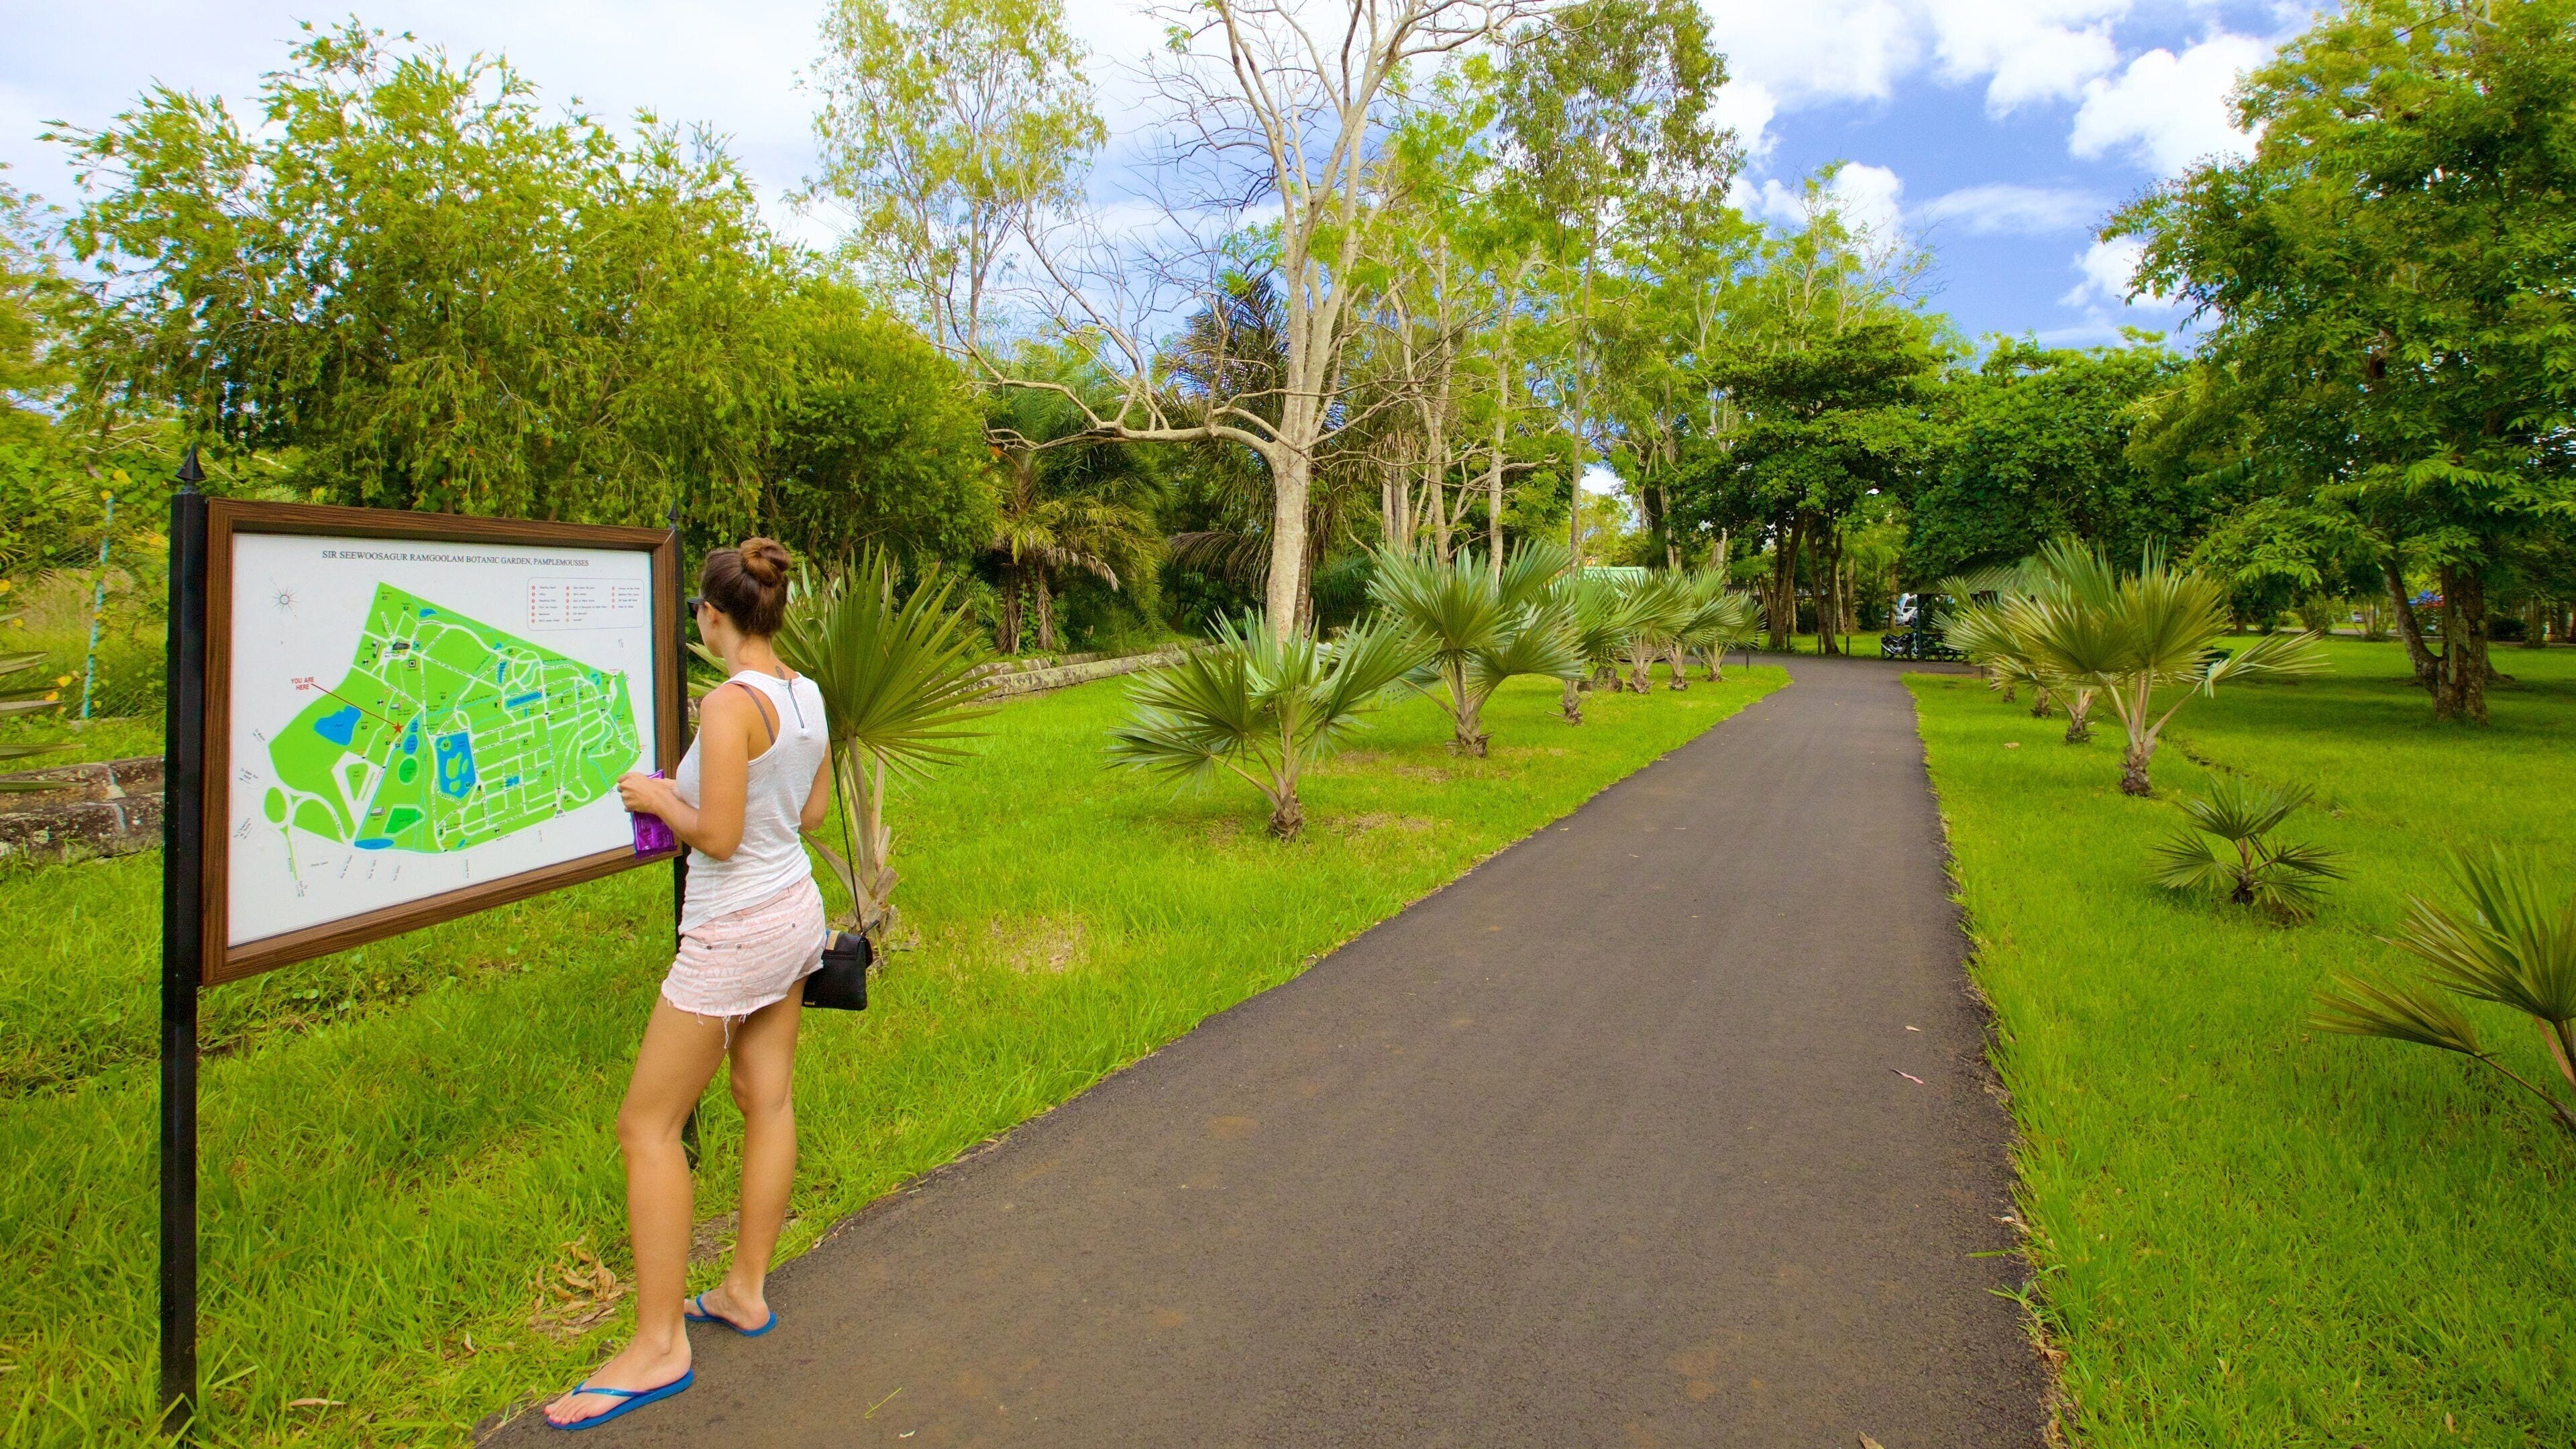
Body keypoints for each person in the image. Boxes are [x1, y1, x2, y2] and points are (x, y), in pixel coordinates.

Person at [545, 538, 833, 1431]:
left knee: (646, 1126)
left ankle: (659, 1345)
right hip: (794, 912)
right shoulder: (805, 693)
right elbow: (812, 811)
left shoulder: (729, 704)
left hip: (733, 929)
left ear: (712, 616)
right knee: (766, 1098)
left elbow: (716, 836)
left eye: (699, 614)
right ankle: (744, 1290)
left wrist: (660, 796)